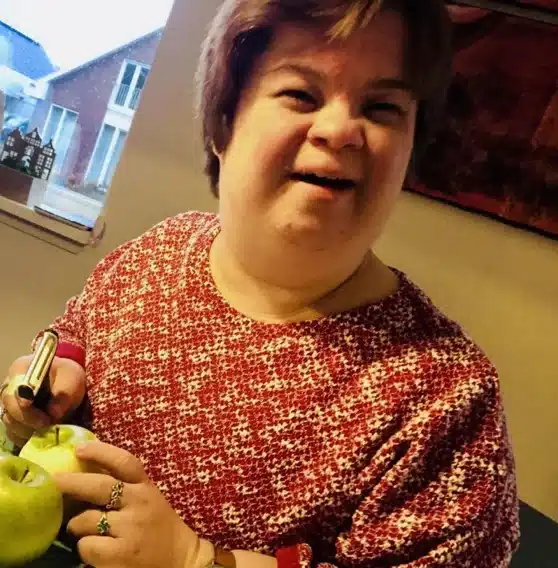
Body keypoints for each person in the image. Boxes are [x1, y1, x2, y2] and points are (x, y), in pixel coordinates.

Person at [0, 0, 520, 566]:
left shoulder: (447, 399)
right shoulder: (159, 250)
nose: (340, 130)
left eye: (382, 107)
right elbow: (75, 332)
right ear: (225, 123)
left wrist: (196, 559)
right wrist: (55, 372)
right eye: (301, 94)